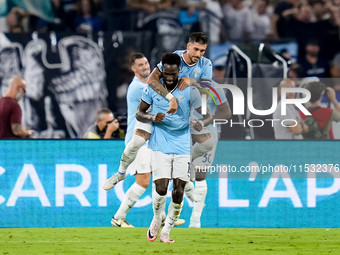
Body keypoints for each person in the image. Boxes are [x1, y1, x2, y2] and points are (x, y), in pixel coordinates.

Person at [137, 52, 212, 243]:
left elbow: (205, 112)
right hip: (160, 143)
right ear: (162, 70)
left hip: (183, 145)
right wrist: (152, 118)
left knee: (178, 190)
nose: (170, 78)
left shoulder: (188, 89)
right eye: (166, 74)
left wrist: (198, 123)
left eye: (173, 74)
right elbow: (140, 113)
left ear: (179, 71)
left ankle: (167, 230)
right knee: (161, 188)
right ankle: (156, 218)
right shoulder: (153, 88)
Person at [105, 53, 153, 227]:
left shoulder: (147, 85)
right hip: (138, 139)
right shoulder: (138, 88)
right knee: (143, 182)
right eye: (140, 65)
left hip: (150, 140)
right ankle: (118, 217)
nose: (145, 66)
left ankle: (162, 218)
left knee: (161, 179)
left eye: (146, 63)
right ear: (133, 69)